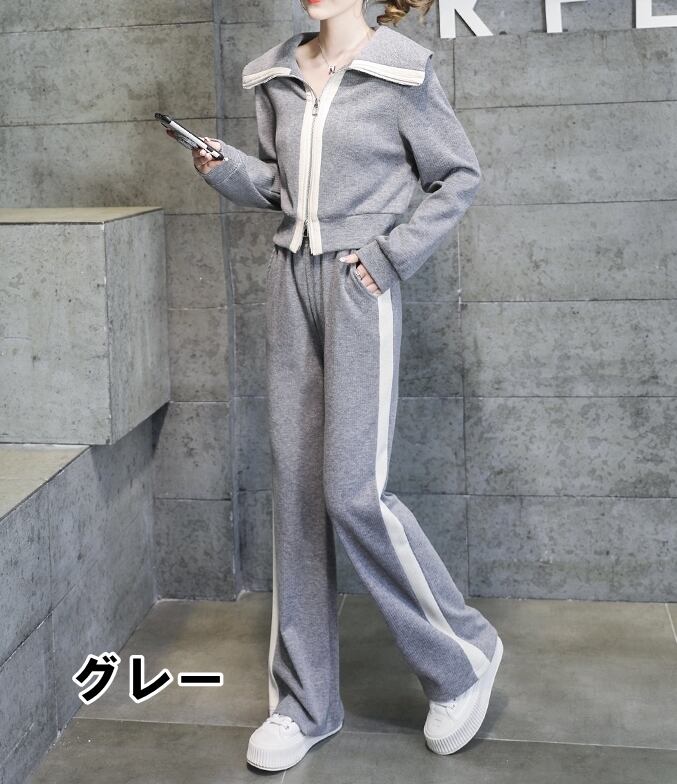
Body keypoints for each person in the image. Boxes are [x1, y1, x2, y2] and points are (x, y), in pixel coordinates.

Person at [183, 0, 504, 772]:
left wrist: (388, 257)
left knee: (351, 492)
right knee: (296, 493)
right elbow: (281, 187)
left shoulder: (401, 71)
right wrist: (226, 169)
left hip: (360, 286)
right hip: (289, 282)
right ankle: (305, 703)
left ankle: (461, 655)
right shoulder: (274, 74)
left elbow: (455, 177)